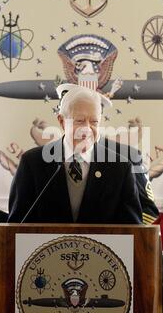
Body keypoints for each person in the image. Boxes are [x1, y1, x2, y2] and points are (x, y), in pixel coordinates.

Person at [8, 86, 142, 224]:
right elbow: (16, 227)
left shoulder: (120, 167)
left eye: (94, 122)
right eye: (80, 120)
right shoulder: (32, 163)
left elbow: (133, 231)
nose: (87, 128)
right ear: (61, 121)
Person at [55, 83, 159, 225]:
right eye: (78, 119)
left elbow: (147, 210)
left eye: (92, 119)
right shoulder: (42, 159)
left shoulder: (126, 156)